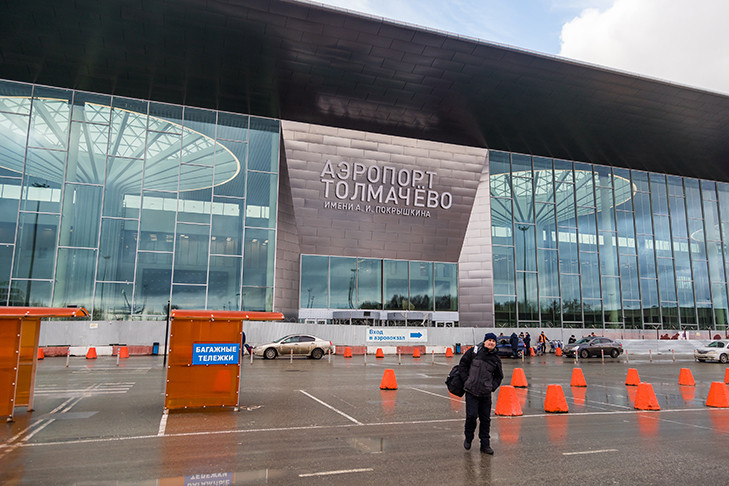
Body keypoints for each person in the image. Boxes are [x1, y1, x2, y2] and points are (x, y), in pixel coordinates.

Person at [458, 332, 504, 454]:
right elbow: (462, 365)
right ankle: (468, 437)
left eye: (493, 341)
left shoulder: (496, 359)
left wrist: (491, 387)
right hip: (471, 391)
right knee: (471, 416)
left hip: (485, 394)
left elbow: (499, 376)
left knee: (485, 420)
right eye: (489, 340)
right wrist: (466, 380)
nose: (491, 343)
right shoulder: (474, 352)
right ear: (484, 341)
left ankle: (485, 445)